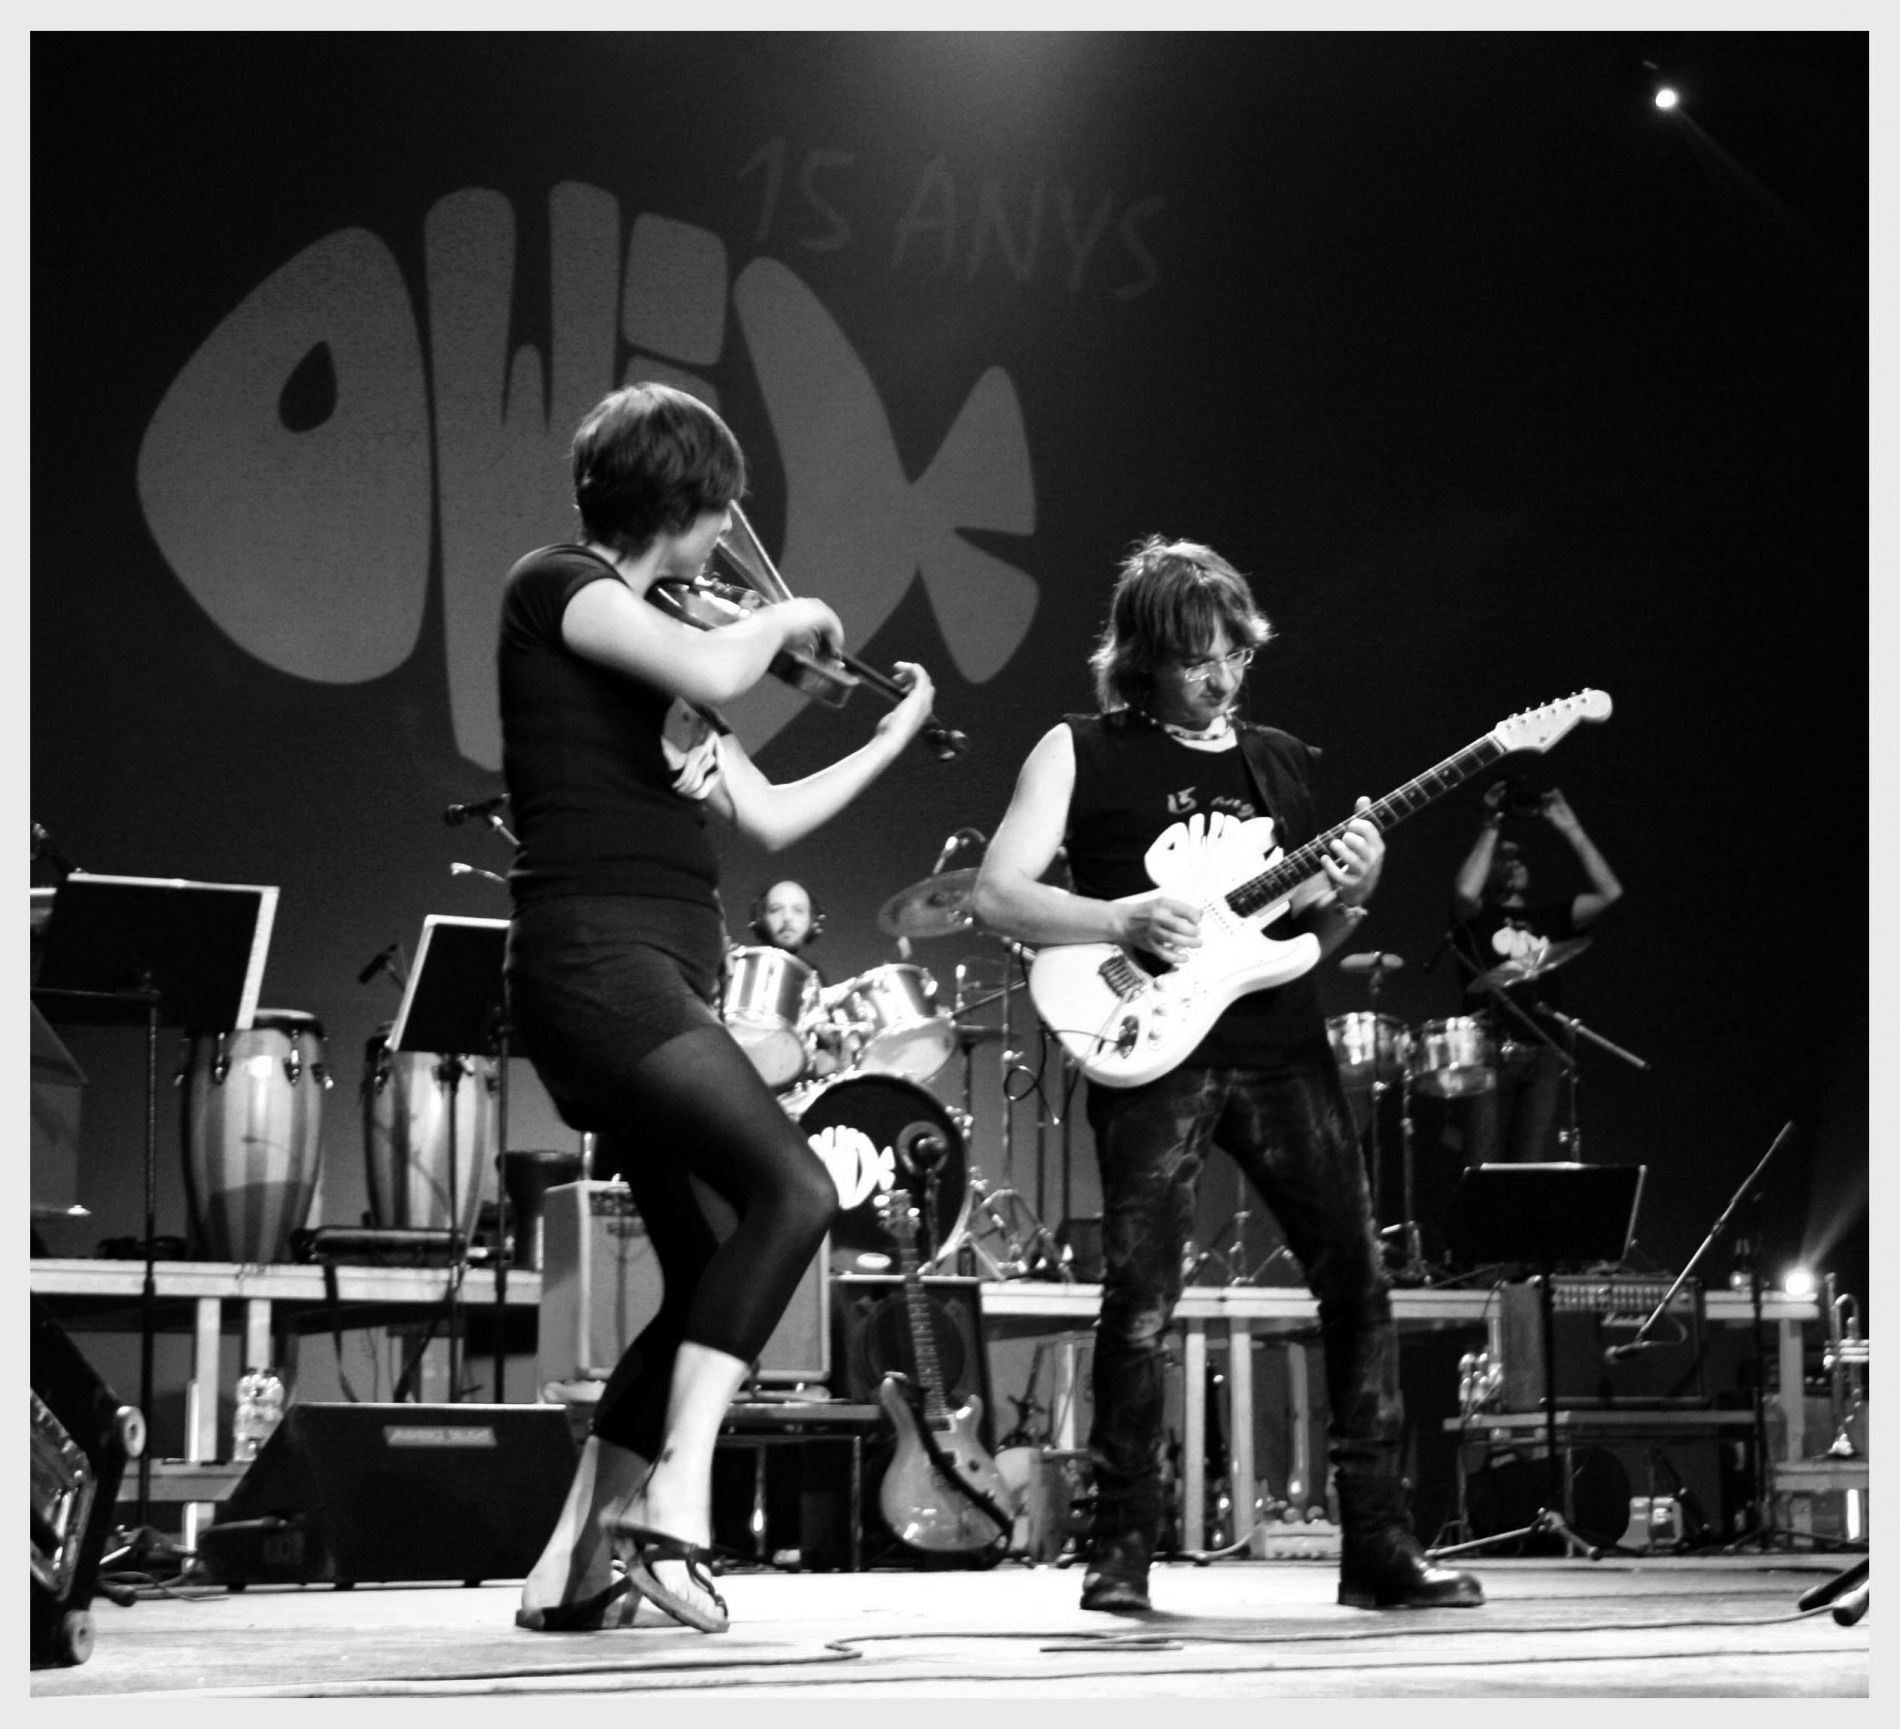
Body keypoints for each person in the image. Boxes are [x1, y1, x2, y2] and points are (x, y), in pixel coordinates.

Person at [971, 535, 1481, 1615]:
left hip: (1280, 1048)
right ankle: (1121, 1550)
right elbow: (997, 894)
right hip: (1149, 1046)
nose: (1220, 678)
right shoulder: (1078, 749)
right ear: (1144, 657)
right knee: (1140, 1301)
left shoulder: (1281, 762)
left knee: (1358, 1282)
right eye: (1197, 658)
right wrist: (1118, 916)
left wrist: (1353, 894)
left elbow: (1301, 940)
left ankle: (1378, 1545)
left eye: (1235, 655)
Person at [500, 382, 936, 1634]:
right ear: (686, 504)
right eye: (720, 515)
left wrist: (890, 737)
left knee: (704, 1264)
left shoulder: (658, 654)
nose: (724, 550)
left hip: (656, 975)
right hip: (601, 968)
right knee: (794, 1190)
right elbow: (716, 654)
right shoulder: (562, 589)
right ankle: (674, 1495)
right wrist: (789, 614)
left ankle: (572, 1569)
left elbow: (772, 814)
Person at [1448, 781, 1623, 1164]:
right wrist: (1491, 824)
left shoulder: (1549, 918)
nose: (1516, 863)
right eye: (1506, 857)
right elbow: (1464, 892)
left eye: (1520, 858)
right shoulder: (1478, 915)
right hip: (1485, 1046)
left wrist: (1570, 827)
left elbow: (1609, 892)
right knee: (1482, 1162)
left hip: (1543, 1050)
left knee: (1529, 1164)